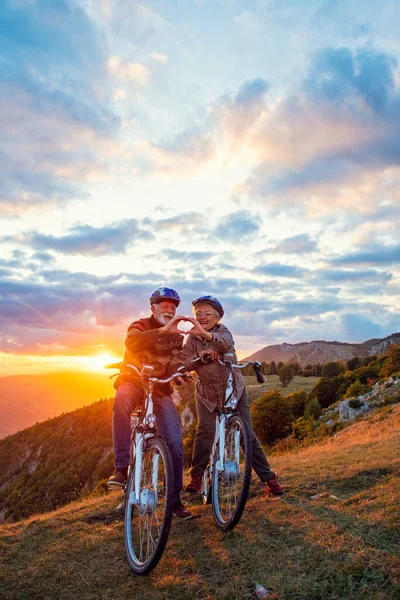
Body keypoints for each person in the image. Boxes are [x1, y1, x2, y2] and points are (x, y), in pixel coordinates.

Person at [181, 295, 284, 497]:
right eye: (198, 314)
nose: (201, 317)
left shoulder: (223, 331)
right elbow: (184, 360)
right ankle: (197, 476)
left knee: (247, 436)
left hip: (233, 392)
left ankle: (269, 478)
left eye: (206, 313)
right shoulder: (192, 339)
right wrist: (198, 358)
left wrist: (209, 341)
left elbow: (226, 346)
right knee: (206, 431)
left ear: (217, 317)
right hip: (207, 395)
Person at [107, 286, 194, 519]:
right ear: (153, 308)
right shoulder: (139, 325)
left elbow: (175, 361)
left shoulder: (177, 337)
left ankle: (174, 500)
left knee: (175, 442)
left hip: (158, 389)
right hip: (134, 382)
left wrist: (179, 373)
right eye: (164, 305)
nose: (170, 309)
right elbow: (131, 343)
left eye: (173, 307)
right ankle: (121, 468)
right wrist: (162, 331)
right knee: (122, 401)